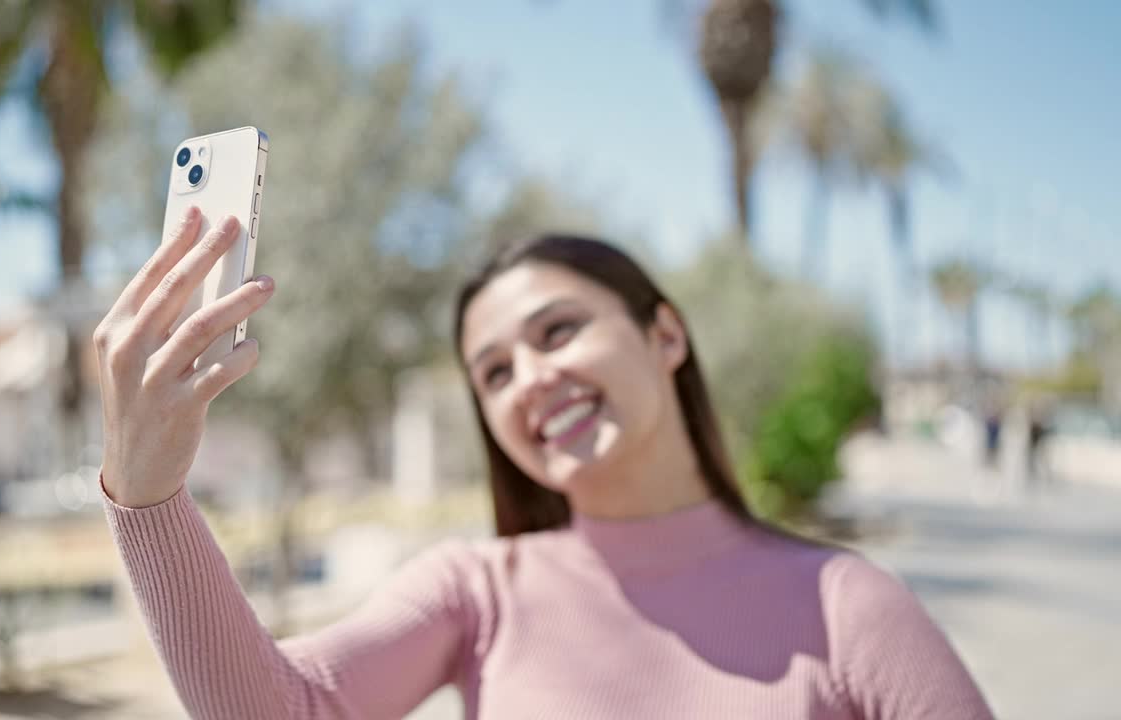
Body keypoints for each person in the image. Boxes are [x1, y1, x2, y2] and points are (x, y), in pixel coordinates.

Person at [94, 211, 995, 719]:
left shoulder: (847, 608)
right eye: (494, 371)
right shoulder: (474, 592)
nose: (531, 378)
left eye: (558, 330)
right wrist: (148, 498)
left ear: (665, 333)